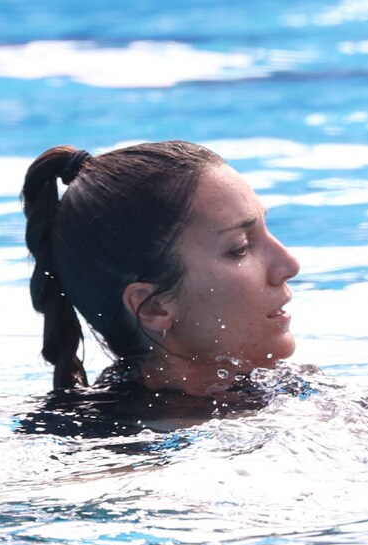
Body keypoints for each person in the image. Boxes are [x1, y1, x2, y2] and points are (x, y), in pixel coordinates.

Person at [19, 140, 306, 434]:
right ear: (155, 306)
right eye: (240, 248)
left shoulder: (291, 392)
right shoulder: (97, 452)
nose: (289, 265)